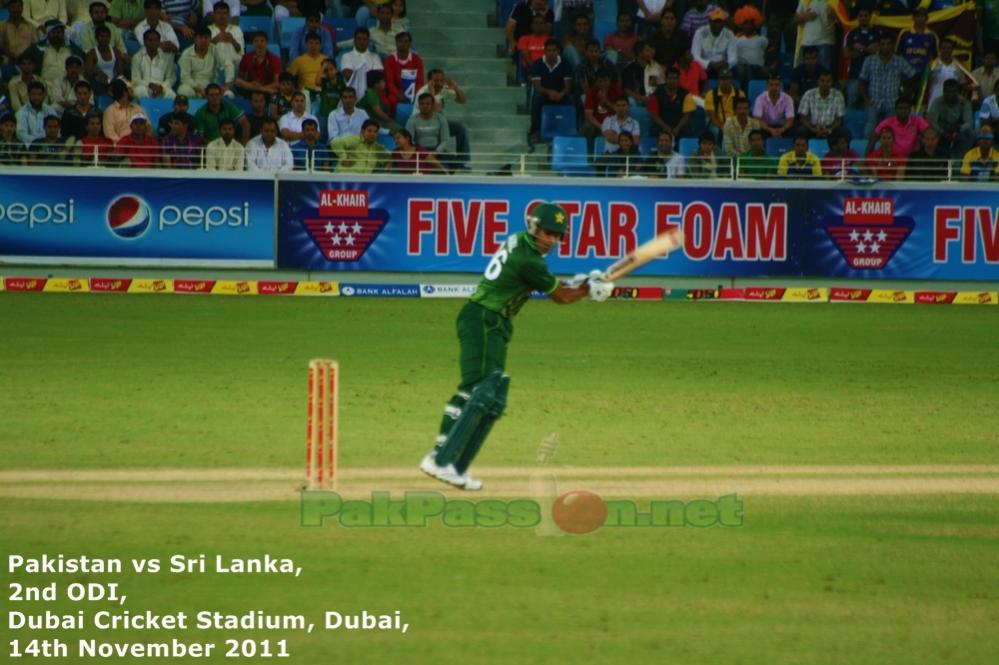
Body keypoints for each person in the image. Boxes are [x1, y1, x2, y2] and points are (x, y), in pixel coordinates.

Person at [419, 202, 614, 491]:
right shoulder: (530, 260)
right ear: (534, 227)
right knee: (478, 389)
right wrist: (589, 290)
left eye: (558, 235)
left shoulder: (519, 243)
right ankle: (440, 460)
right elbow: (560, 297)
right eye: (548, 233)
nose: (553, 240)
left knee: (483, 391)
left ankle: (449, 462)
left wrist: (582, 282)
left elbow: (547, 283)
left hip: (490, 322)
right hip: (485, 319)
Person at [859, 34, 914, 138]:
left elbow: (912, 75)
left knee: (892, 132)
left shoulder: (899, 60)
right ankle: (868, 153)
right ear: (878, 45)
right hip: (874, 102)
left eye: (888, 44)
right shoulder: (869, 60)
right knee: (869, 131)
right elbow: (862, 82)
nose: (885, 46)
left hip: (893, 102)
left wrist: (904, 93)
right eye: (883, 44)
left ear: (892, 45)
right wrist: (866, 99)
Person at [414, 68, 468, 162]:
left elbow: (462, 100)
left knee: (460, 129)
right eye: (436, 81)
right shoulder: (423, 93)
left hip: (438, 122)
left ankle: (464, 162)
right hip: (422, 123)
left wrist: (456, 87)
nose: (439, 83)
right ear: (429, 81)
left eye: (441, 80)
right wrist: (432, 94)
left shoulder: (443, 89)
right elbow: (432, 110)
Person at [527, 39, 573, 148]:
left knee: (571, 99)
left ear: (558, 52)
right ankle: (535, 131)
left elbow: (568, 87)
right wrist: (550, 92)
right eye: (549, 50)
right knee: (537, 99)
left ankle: (569, 130)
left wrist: (560, 94)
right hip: (544, 93)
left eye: (554, 50)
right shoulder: (538, 64)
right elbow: (537, 87)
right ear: (545, 51)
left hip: (560, 94)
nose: (552, 53)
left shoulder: (565, 64)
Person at [178, 27, 232, 98]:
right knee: (183, 91)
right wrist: (199, 89)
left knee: (229, 94)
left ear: (210, 39)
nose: (203, 40)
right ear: (195, 39)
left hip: (212, 86)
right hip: (193, 87)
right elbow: (185, 77)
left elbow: (228, 64)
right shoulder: (186, 54)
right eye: (200, 38)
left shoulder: (215, 50)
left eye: (206, 38)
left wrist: (227, 85)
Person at [842, 5, 880, 108]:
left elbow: (878, 52)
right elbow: (846, 54)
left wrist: (861, 49)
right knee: (851, 104)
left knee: (872, 106)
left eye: (866, 15)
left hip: (873, 77)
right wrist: (868, 50)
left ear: (870, 17)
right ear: (857, 17)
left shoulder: (877, 34)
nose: (863, 18)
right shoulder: (851, 34)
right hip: (855, 75)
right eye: (861, 15)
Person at [928, 78, 974, 156]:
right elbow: (932, 122)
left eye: (953, 92)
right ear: (943, 91)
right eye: (947, 91)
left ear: (958, 92)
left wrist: (959, 129)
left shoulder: (965, 103)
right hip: (941, 131)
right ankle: (939, 157)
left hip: (958, 131)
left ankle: (960, 158)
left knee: (970, 135)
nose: (950, 94)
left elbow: (969, 123)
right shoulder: (937, 102)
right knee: (930, 134)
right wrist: (943, 132)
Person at [647, 67, 695, 139]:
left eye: (675, 78)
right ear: (665, 79)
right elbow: (653, 115)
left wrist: (678, 128)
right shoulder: (656, 93)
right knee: (654, 130)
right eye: (670, 78)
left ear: (678, 79)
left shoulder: (686, 94)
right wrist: (666, 127)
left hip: (679, 125)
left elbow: (687, 115)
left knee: (688, 129)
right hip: (662, 125)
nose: (672, 81)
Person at [895, 7, 937, 85]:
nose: (920, 18)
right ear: (913, 18)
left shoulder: (932, 35)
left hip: (924, 74)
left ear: (927, 18)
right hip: (906, 74)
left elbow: (935, 58)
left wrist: (931, 72)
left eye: (922, 16)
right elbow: (897, 54)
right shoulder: (905, 33)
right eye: (918, 16)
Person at [797, 70, 844, 139]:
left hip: (831, 128)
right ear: (818, 81)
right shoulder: (809, 94)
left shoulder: (838, 95)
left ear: (832, 82)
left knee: (843, 132)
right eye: (822, 80)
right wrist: (813, 129)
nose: (825, 83)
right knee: (801, 131)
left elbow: (839, 119)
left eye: (828, 81)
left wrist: (829, 130)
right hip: (812, 127)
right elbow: (803, 117)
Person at [691, 8, 736, 77]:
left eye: (720, 22)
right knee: (694, 67)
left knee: (736, 70)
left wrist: (726, 63)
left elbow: (733, 57)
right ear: (709, 21)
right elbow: (695, 56)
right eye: (715, 21)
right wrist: (710, 64)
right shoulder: (700, 33)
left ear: (724, 23)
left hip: (722, 67)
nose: (717, 24)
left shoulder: (729, 34)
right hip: (705, 67)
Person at [131, 28, 176, 99]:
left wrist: (162, 87)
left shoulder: (167, 57)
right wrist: (150, 85)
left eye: (156, 40)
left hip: (161, 88)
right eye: (150, 40)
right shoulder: (137, 57)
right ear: (144, 42)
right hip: (145, 87)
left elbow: (171, 78)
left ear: (159, 42)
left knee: (171, 95)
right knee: (139, 91)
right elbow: (135, 79)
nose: (153, 43)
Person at [236, 31, 282, 98]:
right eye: (256, 41)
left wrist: (260, 88)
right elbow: (239, 79)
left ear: (267, 43)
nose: (259, 44)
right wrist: (249, 85)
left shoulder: (275, 60)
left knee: (275, 92)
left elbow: (277, 83)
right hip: (250, 88)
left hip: (266, 89)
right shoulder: (246, 57)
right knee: (237, 81)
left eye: (262, 41)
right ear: (252, 43)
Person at [793, 0, 836, 72]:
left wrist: (833, 14)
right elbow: (795, 19)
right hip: (806, 42)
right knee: (801, 72)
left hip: (825, 42)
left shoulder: (833, 1)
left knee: (824, 74)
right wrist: (804, 16)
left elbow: (843, 19)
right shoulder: (804, 1)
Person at [340, 27, 382, 98]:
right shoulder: (346, 56)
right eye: (359, 39)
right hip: (352, 92)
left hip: (372, 91)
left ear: (368, 41)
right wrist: (370, 75)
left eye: (364, 39)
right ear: (354, 40)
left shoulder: (375, 57)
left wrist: (358, 75)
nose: (361, 42)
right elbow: (348, 76)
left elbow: (378, 77)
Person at [383, 31, 423, 104]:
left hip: (413, 92)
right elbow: (390, 83)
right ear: (396, 43)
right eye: (400, 41)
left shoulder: (417, 60)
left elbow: (420, 81)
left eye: (406, 41)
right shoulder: (389, 60)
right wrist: (398, 94)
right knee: (392, 100)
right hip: (396, 93)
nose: (403, 44)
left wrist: (414, 94)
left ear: (410, 43)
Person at [84, 24, 125, 95]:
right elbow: (87, 72)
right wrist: (97, 72)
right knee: (89, 81)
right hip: (98, 83)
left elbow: (120, 73)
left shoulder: (116, 51)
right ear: (96, 38)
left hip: (113, 82)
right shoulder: (91, 53)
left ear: (110, 38)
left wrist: (112, 85)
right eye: (102, 36)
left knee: (123, 83)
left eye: (107, 36)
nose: (104, 39)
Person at [927, 38, 967, 106]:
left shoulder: (959, 66)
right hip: (935, 100)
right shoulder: (932, 65)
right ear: (939, 49)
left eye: (949, 48)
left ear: (952, 49)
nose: (946, 50)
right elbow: (926, 85)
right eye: (944, 48)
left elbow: (962, 84)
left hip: (952, 104)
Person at [753, 73, 794, 139]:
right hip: (766, 127)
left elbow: (790, 120)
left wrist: (781, 130)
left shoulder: (788, 99)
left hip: (782, 127)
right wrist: (770, 130)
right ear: (767, 86)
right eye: (771, 85)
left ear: (780, 86)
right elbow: (757, 119)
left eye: (776, 85)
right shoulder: (760, 98)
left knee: (793, 131)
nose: (774, 87)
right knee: (757, 130)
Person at [704, 68, 744, 135]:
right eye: (722, 79)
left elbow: (741, 112)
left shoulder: (740, 94)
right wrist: (721, 126)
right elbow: (712, 116)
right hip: (717, 124)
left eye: (727, 78)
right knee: (715, 131)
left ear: (731, 80)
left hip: (734, 123)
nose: (725, 81)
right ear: (718, 80)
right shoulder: (711, 94)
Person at [208, 2, 244, 73]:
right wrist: (215, 40)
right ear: (214, 15)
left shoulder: (237, 29)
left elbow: (240, 51)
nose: (222, 16)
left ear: (228, 15)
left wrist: (232, 41)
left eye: (224, 13)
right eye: (218, 13)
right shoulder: (208, 30)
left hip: (234, 67)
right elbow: (203, 51)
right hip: (214, 68)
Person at [2, 1, 36, 65]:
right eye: (13, 7)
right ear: (8, 9)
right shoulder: (2, 26)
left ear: (22, 8)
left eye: (18, 7)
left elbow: (36, 46)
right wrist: (6, 52)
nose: (16, 10)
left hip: (27, 63)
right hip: (8, 62)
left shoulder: (30, 26)